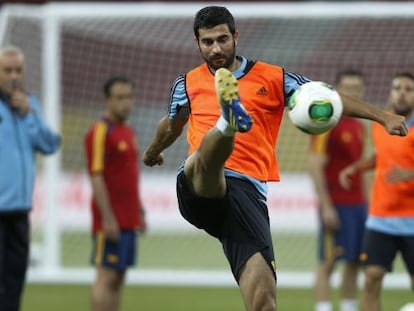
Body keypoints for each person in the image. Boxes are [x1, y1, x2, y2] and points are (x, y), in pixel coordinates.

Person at [143, 6, 407, 311]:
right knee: (204, 159)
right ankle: (228, 122)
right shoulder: (186, 84)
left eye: (222, 39)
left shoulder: (273, 77)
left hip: (247, 194)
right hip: (199, 186)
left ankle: (227, 122)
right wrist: (152, 151)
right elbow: (172, 124)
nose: (216, 48)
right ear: (197, 43)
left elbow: (327, 97)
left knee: (264, 301)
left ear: (236, 36)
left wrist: (382, 116)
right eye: (207, 42)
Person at [339, 72, 414, 311]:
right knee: (371, 279)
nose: (401, 92)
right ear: (390, 92)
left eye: (408, 89)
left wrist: (410, 174)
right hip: (380, 218)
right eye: (397, 88)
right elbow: (382, 156)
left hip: (412, 219)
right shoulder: (382, 124)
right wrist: (357, 167)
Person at [0, 46, 61, 311]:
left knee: (15, 280)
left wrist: (30, 115)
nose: (14, 76)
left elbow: (50, 144)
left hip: (21, 211)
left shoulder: (30, 104)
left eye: (18, 70)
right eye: (7, 70)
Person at [84, 76, 146, 311]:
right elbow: (96, 175)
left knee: (118, 277)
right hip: (109, 220)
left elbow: (130, 177)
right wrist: (107, 218)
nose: (126, 103)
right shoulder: (100, 131)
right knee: (106, 277)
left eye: (129, 97)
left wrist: (139, 211)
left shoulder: (128, 131)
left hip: (128, 219)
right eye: (120, 98)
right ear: (107, 100)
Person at [310, 70, 367, 311]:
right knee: (328, 263)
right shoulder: (326, 122)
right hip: (336, 205)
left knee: (354, 262)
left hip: (359, 205)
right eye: (347, 88)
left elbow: (359, 168)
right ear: (336, 91)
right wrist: (326, 206)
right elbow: (314, 166)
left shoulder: (360, 125)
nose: (352, 93)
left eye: (356, 88)